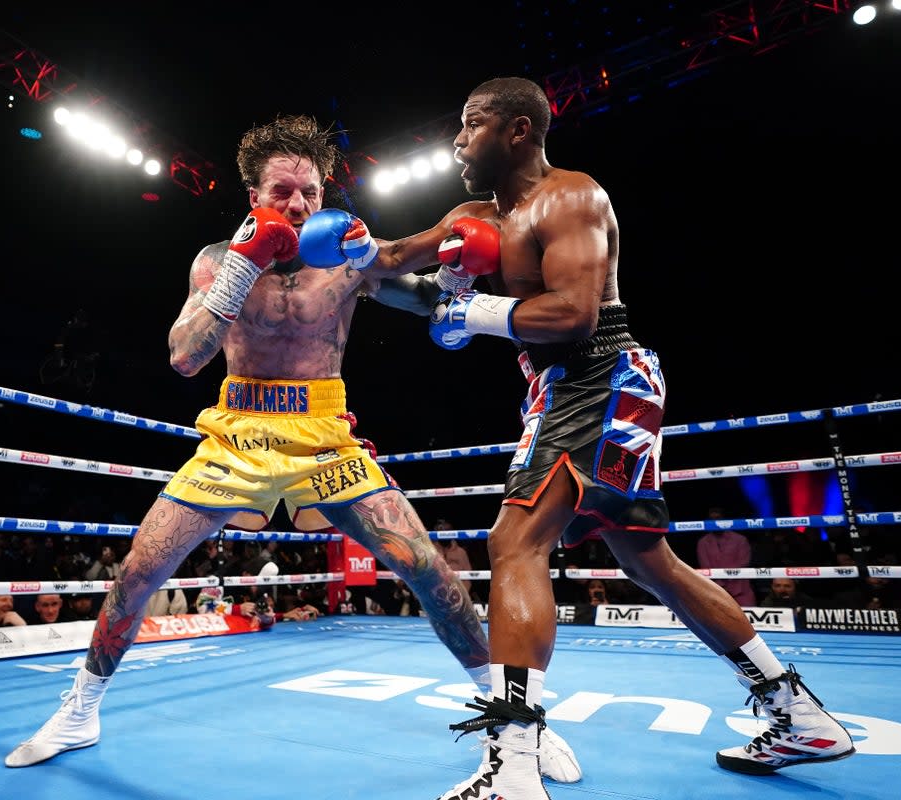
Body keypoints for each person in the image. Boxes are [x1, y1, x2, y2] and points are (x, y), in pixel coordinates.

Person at [298, 77, 854, 797]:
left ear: (518, 131)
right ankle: (800, 713)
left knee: (514, 542)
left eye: (472, 126)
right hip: (572, 386)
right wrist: (346, 242)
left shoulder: (572, 198)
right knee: (649, 562)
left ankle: (514, 766)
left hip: (600, 373)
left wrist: (475, 314)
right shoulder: (470, 214)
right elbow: (395, 259)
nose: (459, 141)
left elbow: (576, 316)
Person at [4, 113, 579, 783]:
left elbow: (439, 314)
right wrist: (241, 269)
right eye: (283, 192)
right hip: (237, 432)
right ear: (254, 194)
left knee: (427, 567)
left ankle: (515, 725)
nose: (299, 205)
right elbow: (186, 358)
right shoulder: (216, 261)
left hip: (325, 438)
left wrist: (456, 274)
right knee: (138, 570)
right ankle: (79, 710)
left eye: (310, 191)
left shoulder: (348, 257)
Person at [695, 506, 756, 607]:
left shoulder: (740, 540)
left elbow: (743, 562)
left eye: (718, 519)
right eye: (712, 520)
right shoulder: (703, 542)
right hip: (715, 589)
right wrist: (720, 585)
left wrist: (728, 579)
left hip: (740, 589)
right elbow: (705, 565)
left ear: (724, 519)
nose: (715, 523)